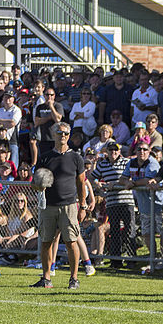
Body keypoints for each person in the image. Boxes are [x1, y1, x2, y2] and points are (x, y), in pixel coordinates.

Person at [30, 122, 87, 290]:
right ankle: (46, 278)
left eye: (66, 133)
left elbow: (81, 183)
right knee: (46, 241)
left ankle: (74, 279)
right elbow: (35, 183)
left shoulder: (76, 157)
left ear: (69, 136)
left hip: (69, 205)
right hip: (48, 205)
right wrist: (39, 185)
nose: (62, 136)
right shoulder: (45, 157)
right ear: (54, 134)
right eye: (59, 133)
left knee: (71, 241)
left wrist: (82, 206)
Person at [92, 142, 136, 267]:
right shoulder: (102, 165)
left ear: (119, 151)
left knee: (129, 230)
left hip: (126, 201)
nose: (113, 152)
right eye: (111, 150)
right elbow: (92, 177)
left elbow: (132, 179)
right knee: (115, 232)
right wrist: (97, 184)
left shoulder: (126, 162)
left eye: (115, 150)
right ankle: (115, 261)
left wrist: (115, 184)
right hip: (111, 202)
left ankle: (131, 259)